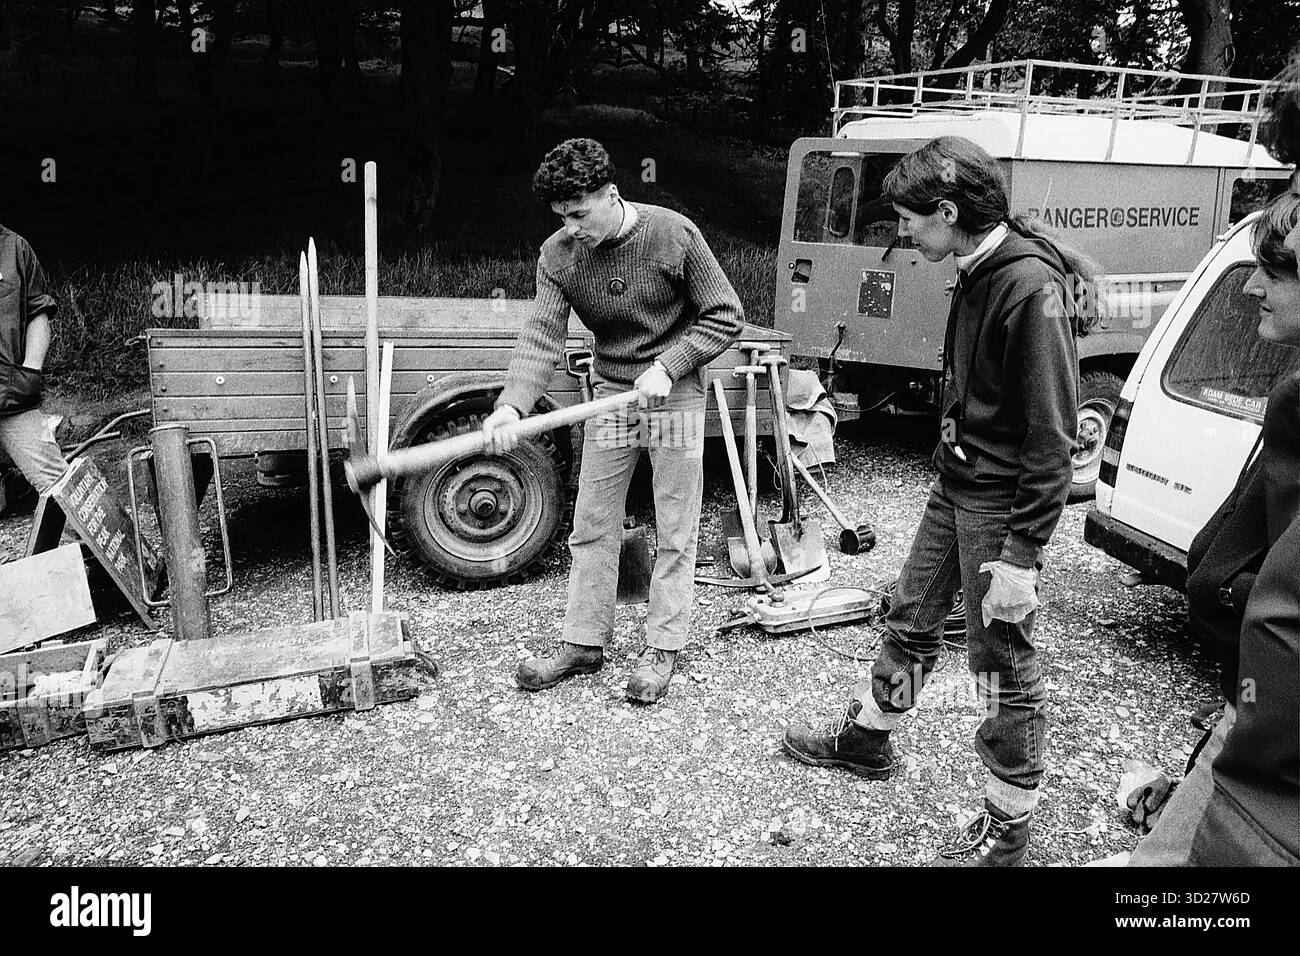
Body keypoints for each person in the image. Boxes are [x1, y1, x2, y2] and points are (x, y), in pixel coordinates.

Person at [781, 135, 1095, 866]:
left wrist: (1021, 557)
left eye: (910, 221)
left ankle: (1008, 828)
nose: (903, 233)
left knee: (1000, 662)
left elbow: (1054, 437)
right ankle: (867, 737)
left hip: (998, 505)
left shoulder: (1027, 286)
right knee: (912, 617)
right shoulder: (977, 264)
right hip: (958, 487)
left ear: (948, 211)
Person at [482, 138, 744, 704]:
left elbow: (726, 315)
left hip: (672, 394)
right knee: (594, 519)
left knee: (676, 522)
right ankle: (584, 641)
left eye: (580, 213)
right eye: (562, 216)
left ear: (611, 194)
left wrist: (670, 367)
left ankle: (663, 647)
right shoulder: (558, 256)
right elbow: (542, 335)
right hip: (611, 394)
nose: (572, 227)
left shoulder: (673, 234)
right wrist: (512, 404)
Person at [1128, 191, 1300, 867]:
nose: (1253, 286)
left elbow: (1287, 622)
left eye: (1279, 272)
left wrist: (1236, 592)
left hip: (1270, 772)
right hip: (1245, 713)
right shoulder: (1292, 383)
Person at [0, 223, 67, 507]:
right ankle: (12, 485)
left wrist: (30, 370)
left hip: (9, 397)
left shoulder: (14, 247)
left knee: (63, 488)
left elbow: (38, 313)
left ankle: (125, 551)